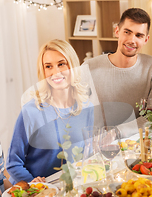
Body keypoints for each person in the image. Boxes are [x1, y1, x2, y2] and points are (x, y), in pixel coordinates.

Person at [7, 39, 94, 184]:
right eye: (48, 66)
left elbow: (87, 153)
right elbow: (13, 163)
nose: (56, 72)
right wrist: (33, 183)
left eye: (61, 64)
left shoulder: (86, 107)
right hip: (39, 191)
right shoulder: (31, 111)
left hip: (71, 186)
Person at [83, 8, 152, 135]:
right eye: (127, 32)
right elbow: (77, 112)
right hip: (98, 145)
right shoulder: (89, 67)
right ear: (117, 31)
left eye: (139, 35)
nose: (132, 40)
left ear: (146, 40)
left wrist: (117, 132)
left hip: (137, 144)